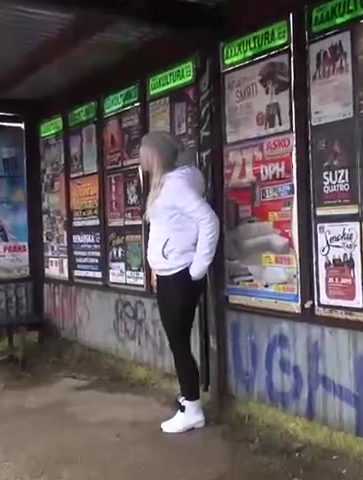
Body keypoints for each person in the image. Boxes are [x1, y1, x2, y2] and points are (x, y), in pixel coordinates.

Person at [140, 131, 219, 434]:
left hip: (179, 275)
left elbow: (209, 221)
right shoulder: (174, 180)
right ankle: (189, 399)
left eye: (145, 154)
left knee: (179, 345)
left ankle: (193, 410)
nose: (141, 160)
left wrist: (197, 268)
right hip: (171, 272)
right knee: (179, 342)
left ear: (157, 156)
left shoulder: (174, 185)